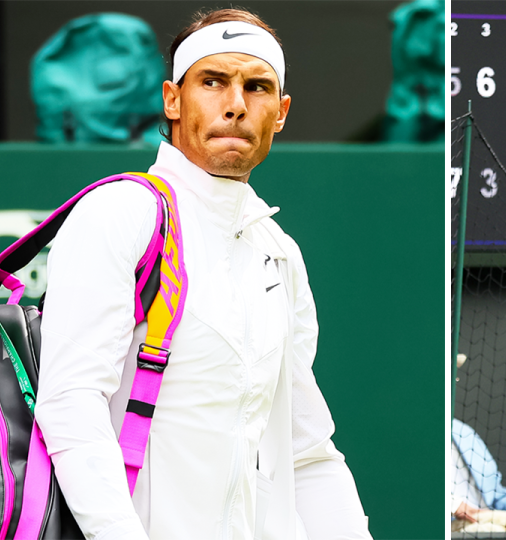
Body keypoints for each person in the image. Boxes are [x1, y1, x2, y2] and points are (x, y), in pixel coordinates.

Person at [34, 8, 371, 540]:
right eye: (212, 81)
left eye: (256, 87)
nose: (235, 106)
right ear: (172, 99)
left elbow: (304, 451)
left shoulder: (279, 252)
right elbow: (71, 406)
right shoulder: (120, 213)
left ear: (280, 112)